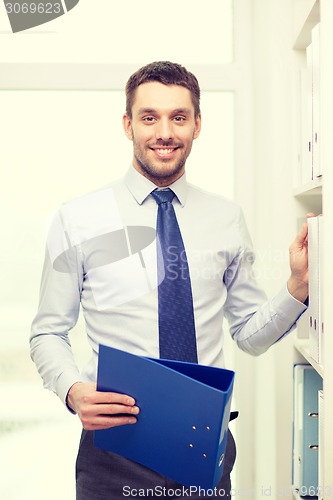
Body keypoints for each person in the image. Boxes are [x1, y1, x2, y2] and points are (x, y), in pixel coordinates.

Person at [30, 61, 309, 499]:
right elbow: (48, 330)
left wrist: (297, 287)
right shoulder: (78, 219)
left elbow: (249, 335)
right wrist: (73, 392)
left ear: (197, 125)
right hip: (114, 450)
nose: (165, 132)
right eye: (149, 117)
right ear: (128, 125)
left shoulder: (226, 219)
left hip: (205, 444)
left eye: (178, 117)